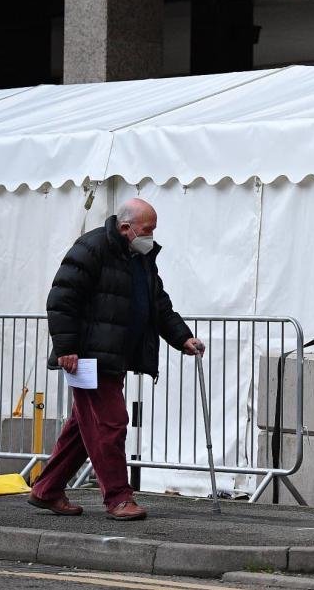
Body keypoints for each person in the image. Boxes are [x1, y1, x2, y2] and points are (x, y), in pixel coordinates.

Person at [28, 198, 204, 521]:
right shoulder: (93, 248)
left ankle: (47, 489)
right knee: (111, 424)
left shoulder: (141, 256)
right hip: (88, 358)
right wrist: (67, 347)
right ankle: (118, 498)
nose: (151, 236)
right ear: (126, 228)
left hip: (112, 357)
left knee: (84, 429)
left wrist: (182, 337)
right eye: (147, 230)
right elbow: (61, 298)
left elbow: (158, 303)